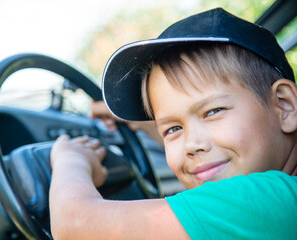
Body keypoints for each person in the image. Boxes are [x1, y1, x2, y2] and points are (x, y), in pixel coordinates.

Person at [49, 8, 297, 239]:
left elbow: (74, 226)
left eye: (213, 111)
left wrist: (70, 160)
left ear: (285, 105)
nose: (191, 144)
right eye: (173, 129)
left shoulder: (265, 201)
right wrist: (137, 124)